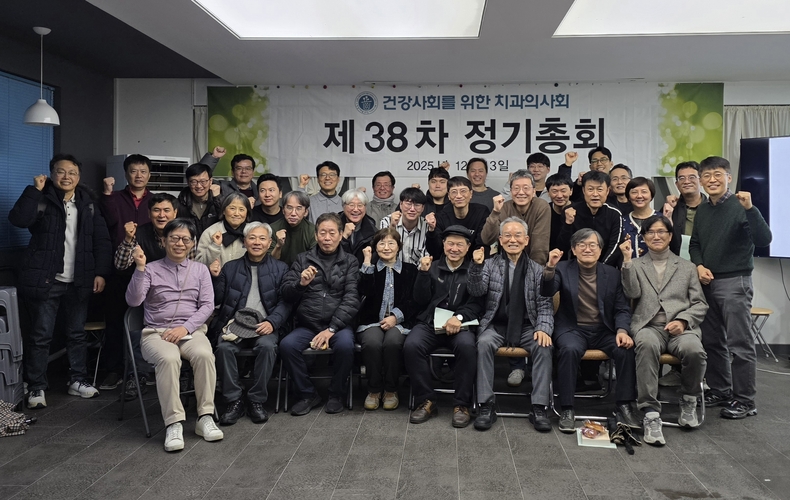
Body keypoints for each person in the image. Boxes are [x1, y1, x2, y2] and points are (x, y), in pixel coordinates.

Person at [9, 154, 111, 408]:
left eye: (72, 172)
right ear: (51, 174)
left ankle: (78, 380)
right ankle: (36, 386)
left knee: (76, 334)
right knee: (41, 335)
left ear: (79, 176)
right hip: (48, 279)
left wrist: (100, 272)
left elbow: (101, 240)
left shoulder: (88, 203)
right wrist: (34, 190)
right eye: (61, 171)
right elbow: (18, 219)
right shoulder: (42, 199)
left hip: (79, 279)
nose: (67, 177)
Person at [125, 218, 224, 452]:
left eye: (185, 239)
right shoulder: (150, 269)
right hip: (156, 333)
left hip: (191, 331)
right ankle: (174, 423)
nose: (180, 243)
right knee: (169, 359)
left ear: (192, 244)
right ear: (164, 240)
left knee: (204, 355)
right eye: (174, 238)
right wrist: (140, 268)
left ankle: (205, 417)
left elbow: (207, 306)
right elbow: (134, 301)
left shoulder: (200, 270)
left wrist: (185, 328)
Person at [690, 156, 772, 419]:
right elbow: (695, 244)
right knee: (713, 341)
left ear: (729, 177)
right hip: (707, 282)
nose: (712, 180)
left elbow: (764, 239)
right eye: (706, 176)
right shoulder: (703, 209)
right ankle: (721, 390)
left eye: (717, 174)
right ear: (701, 181)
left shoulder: (741, 206)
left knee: (739, 343)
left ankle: (745, 400)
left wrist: (750, 209)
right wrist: (699, 265)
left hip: (735, 281)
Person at [620, 214, 708, 445]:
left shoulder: (687, 267)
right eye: (650, 232)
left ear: (670, 236)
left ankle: (689, 399)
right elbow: (631, 293)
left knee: (694, 351)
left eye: (661, 232)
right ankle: (650, 413)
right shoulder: (636, 264)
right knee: (646, 345)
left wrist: (684, 321)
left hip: (681, 327)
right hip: (649, 325)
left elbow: (700, 304)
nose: (656, 236)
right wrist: (627, 261)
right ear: (644, 237)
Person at [542, 229, 639, 433]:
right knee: (569, 350)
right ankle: (567, 408)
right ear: (574, 249)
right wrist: (550, 267)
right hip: (572, 328)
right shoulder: (562, 268)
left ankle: (624, 405)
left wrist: (622, 330)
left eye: (592, 245)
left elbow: (622, 308)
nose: (587, 249)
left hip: (604, 330)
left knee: (625, 349)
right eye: (582, 245)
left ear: (600, 250)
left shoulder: (612, 273)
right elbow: (547, 291)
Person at [468, 218, 554, 432]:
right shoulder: (489, 264)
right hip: (495, 324)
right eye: (507, 235)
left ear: (527, 240)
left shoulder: (537, 270)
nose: (512, 240)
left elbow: (545, 305)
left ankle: (539, 406)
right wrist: (476, 267)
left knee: (544, 345)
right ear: (500, 239)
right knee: (483, 344)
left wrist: (543, 328)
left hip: (527, 326)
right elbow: (476, 291)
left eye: (517, 236)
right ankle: (486, 405)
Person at [280, 213, 360, 416]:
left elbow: (352, 298)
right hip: (308, 324)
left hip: (338, 326)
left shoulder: (350, 261)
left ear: (340, 235)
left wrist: (331, 328)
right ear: (315, 235)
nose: (327, 238)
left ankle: (336, 394)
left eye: (332, 233)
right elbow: (286, 293)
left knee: (345, 346)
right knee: (287, 345)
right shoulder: (302, 259)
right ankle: (307, 394)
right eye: (322, 233)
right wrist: (300, 284)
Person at [404, 226, 484, 428]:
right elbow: (419, 300)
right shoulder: (432, 267)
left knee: (467, 347)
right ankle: (426, 400)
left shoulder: (474, 269)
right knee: (412, 345)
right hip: (430, 323)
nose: (454, 249)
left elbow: (478, 303)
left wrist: (459, 317)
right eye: (450, 244)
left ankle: (462, 404)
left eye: (459, 245)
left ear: (468, 248)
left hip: (461, 325)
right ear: (443, 244)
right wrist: (423, 274)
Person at [211, 222, 291, 425]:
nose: (257, 242)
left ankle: (256, 400)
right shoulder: (230, 267)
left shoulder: (281, 268)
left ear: (270, 243)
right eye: (252, 238)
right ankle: (234, 400)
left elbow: (286, 302)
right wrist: (216, 278)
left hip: (265, 324)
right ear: (245, 242)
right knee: (224, 348)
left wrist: (272, 322)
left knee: (267, 347)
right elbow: (216, 299)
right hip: (235, 324)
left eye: (262, 238)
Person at [113, 193, 179, 401]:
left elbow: (191, 267)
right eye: (156, 211)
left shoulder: (182, 233)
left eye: (166, 210)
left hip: (175, 298)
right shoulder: (138, 234)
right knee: (135, 332)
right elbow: (120, 265)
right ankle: (137, 376)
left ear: (175, 213)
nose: (162, 215)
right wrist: (128, 240)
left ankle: (183, 374)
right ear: (149, 214)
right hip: (143, 296)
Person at [97, 154, 153, 390]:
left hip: (148, 271)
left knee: (145, 323)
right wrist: (107, 195)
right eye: (133, 171)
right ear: (126, 174)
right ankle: (114, 370)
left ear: (149, 175)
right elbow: (109, 223)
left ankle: (142, 371)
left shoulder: (156, 201)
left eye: (143, 171)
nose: (138, 175)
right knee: (115, 322)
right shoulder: (115, 198)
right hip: (119, 270)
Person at [357, 228, 418, 411]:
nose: (386, 247)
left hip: (400, 322)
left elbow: (415, 301)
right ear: (375, 247)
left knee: (393, 342)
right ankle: (374, 389)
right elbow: (363, 292)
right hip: (371, 321)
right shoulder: (370, 269)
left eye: (391, 243)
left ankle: (391, 389)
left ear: (398, 247)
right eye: (381, 243)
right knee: (372, 343)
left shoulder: (410, 270)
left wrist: (396, 317)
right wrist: (367, 262)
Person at [480, 170, 551, 265]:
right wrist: (495, 212)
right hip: (505, 263)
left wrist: (534, 270)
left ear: (534, 191)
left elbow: (540, 245)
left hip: (533, 265)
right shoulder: (504, 207)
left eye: (526, 188)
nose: (521, 192)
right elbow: (487, 239)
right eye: (516, 188)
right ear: (510, 191)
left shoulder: (541, 206)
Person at [557, 171, 623, 267]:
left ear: (607, 191)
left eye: (600, 189)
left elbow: (615, 246)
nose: (595, 194)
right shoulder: (570, 211)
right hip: (575, 267)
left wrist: (602, 267)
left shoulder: (615, 214)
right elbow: (562, 246)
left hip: (606, 267)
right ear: (583, 190)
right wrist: (568, 224)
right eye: (590, 189)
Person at [426, 176, 490, 259]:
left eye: (463, 191)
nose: (459, 196)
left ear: (471, 194)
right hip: (449, 261)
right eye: (454, 192)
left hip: (475, 261)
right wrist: (431, 230)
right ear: (448, 196)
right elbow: (435, 251)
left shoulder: (482, 212)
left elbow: (482, 243)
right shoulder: (441, 216)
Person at [196, 192, 250, 276]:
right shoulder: (211, 232)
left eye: (241, 209)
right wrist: (214, 246)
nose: (236, 213)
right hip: (216, 280)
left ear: (247, 213)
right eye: (232, 208)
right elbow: (198, 265)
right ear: (224, 211)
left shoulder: (252, 232)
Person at [664, 161, 706, 259]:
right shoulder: (670, 209)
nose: (687, 181)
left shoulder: (712, 208)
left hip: (707, 263)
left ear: (701, 181)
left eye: (692, 177)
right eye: (681, 178)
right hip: (676, 262)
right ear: (677, 184)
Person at [380, 187, 430, 266]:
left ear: (423, 208)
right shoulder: (387, 221)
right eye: (408, 204)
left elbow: (425, 258)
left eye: (417, 205)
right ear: (400, 204)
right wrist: (392, 227)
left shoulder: (427, 226)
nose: (412, 209)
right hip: (391, 269)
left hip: (416, 271)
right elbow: (384, 251)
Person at [269, 191, 316, 266]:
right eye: (289, 208)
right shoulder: (272, 229)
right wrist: (278, 245)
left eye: (299, 208)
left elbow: (314, 260)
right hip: (277, 270)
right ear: (283, 210)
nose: (293, 213)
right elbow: (270, 262)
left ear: (306, 212)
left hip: (303, 270)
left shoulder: (312, 230)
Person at [177, 162, 223, 237]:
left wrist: (218, 199)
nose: (199, 186)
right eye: (194, 182)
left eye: (203, 181)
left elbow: (227, 221)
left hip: (215, 242)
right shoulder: (181, 203)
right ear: (188, 182)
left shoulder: (219, 199)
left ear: (210, 181)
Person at [621, 177, 661, 260]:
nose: (639, 196)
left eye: (644, 192)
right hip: (628, 266)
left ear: (651, 195)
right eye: (634, 192)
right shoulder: (621, 221)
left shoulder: (661, 219)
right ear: (628, 196)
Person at [339, 189, 378, 267]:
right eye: (351, 205)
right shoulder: (333, 225)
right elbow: (329, 255)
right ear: (343, 206)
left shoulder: (373, 230)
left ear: (365, 207)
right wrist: (344, 237)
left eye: (360, 205)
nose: (356, 209)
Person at [545, 173, 574, 258]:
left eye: (563, 191)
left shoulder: (579, 210)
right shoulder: (544, 210)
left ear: (571, 191)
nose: (559, 196)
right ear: (548, 193)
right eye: (554, 191)